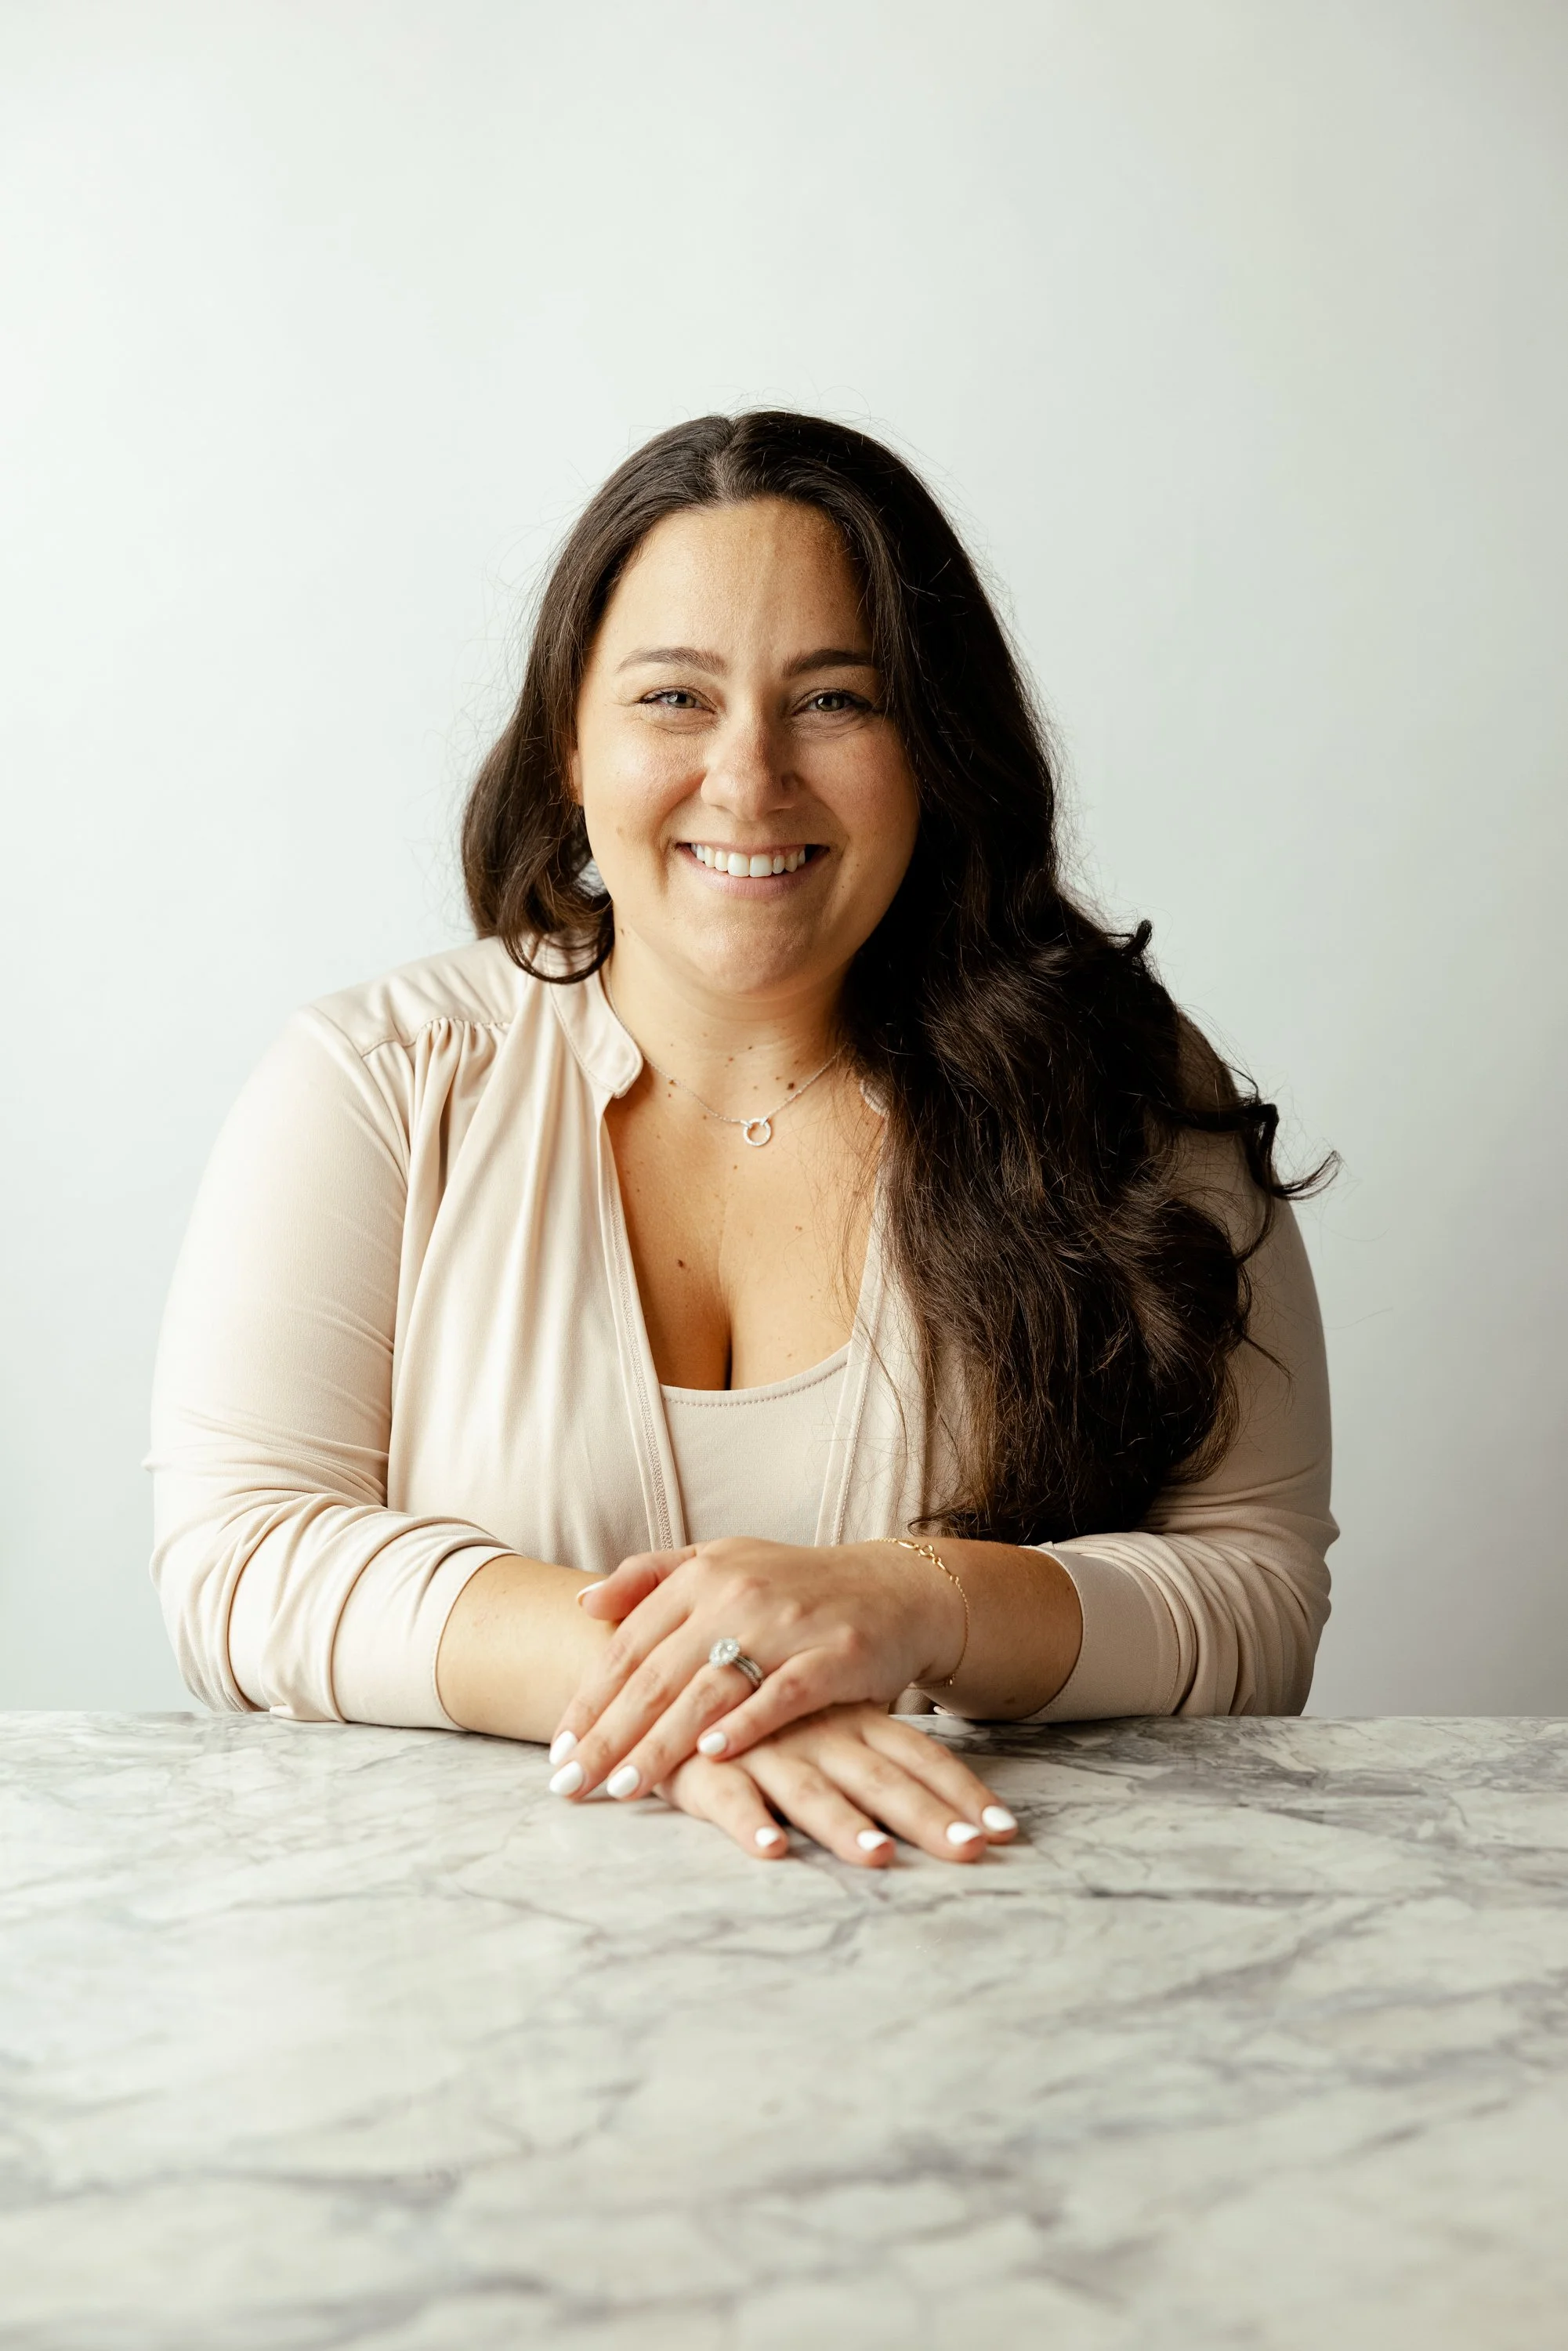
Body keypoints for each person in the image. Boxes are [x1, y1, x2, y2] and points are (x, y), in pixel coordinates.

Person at [150, 411, 1335, 1868]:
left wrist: (916, 1600)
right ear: (570, 748)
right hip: (466, 2007)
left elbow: (1256, 1598)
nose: (750, 776)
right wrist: (717, 1697)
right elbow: (241, 1560)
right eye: (673, 698)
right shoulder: (381, 1084)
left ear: (936, 749)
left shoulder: (1125, 1090)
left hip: (1005, 1988)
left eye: (836, 700)